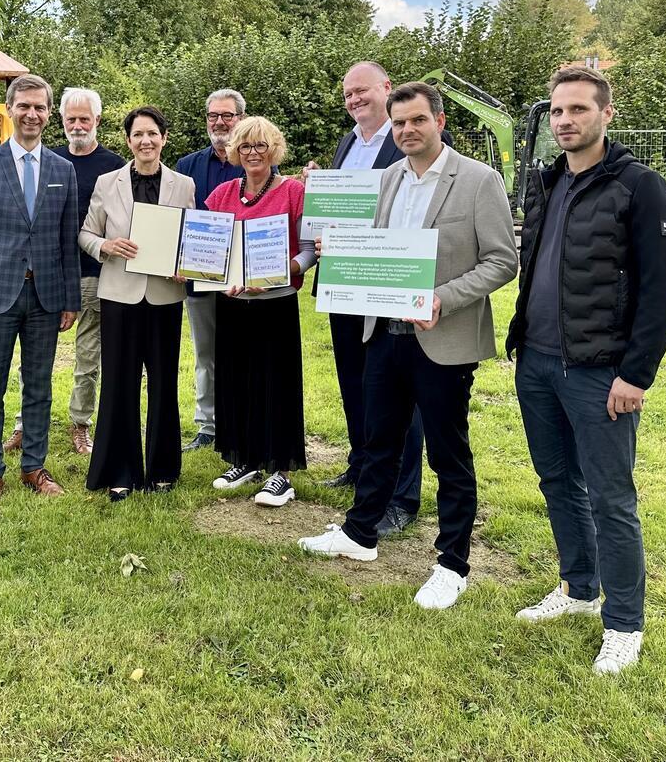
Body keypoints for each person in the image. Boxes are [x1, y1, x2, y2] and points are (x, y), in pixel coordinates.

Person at [299, 82, 517, 611]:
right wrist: (339, 248)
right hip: (385, 334)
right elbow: (375, 246)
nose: (407, 131)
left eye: (417, 120)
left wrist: (443, 298)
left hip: (441, 338)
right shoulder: (389, 178)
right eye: (399, 124)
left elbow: (502, 261)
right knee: (378, 441)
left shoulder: (478, 181)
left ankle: (452, 563)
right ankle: (360, 534)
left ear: (440, 122)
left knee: (448, 453)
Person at [506, 66, 666, 675]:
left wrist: (636, 375)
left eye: (578, 110)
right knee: (557, 483)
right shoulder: (547, 181)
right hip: (537, 363)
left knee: (611, 497)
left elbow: (664, 291)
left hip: (599, 372)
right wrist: (522, 345)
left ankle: (625, 624)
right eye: (557, 112)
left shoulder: (640, 186)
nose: (565, 122)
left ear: (606, 114)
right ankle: (579, 589)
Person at [309, 61, 452, 540]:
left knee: (399, 392)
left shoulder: (410, 141)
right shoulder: (348, 142)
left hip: (389, 283)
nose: (354, 100)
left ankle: (401, 495)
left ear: (386, 91)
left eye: (362, 91)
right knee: (356, 380)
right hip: (345, 281)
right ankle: (362, 465)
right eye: (348, 93)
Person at [0, 73, 81, 508]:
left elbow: (67, 240)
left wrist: (70, 299)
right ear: (9, 109)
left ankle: (34, 465)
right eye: (24, 106)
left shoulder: (63, 170)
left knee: (39, 385)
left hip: (45, 296)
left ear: (50, 113)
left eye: (40, 107)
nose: (32, 114)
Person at [79, 106, 196, 500]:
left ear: (164, 138)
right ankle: (121, 470)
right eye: (138, 134)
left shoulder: (184, 185)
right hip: (119, 297)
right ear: (128, 141)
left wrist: (187, 266)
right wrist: (106, 246)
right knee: (119, 385)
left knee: (164, 383)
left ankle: (163, 468)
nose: (146, 141)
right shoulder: (106, 182)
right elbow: (86, 234)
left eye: (153, 133)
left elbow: (193, 241)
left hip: (165, 297)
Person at [3, 87, 124, 456]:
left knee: (88, 357)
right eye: (70, 119)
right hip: (45, 275)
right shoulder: (46, 160)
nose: (77, 125)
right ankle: (26, 422)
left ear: (97, 121)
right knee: (34, 356)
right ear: (62, 120)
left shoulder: (116, 167)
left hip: (94, 273)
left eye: (84, 118)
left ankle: (79, 424)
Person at [203, 116, 317, 508]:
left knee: (276, 384)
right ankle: (243, 460)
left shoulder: (293, 192)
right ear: (235, 151)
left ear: (274, 149)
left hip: (275, 304)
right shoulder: (221, 194)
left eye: (261, 146)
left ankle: (280, 472)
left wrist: (275, 276)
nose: (253, 153)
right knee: (235, 382)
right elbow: (207, 249)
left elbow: (308, 250)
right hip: (232, 304)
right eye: (246, 146)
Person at [174, 89, 248, 451]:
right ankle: (207, 425)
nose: (220, 122)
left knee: (242, 352)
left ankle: (242, 420)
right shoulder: (186, 167)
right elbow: (176, 218)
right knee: (205, 354)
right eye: (213, 116)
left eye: (227, 116)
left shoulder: (254, 161)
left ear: (240, 119)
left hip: (245, 279)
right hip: (199, 278)